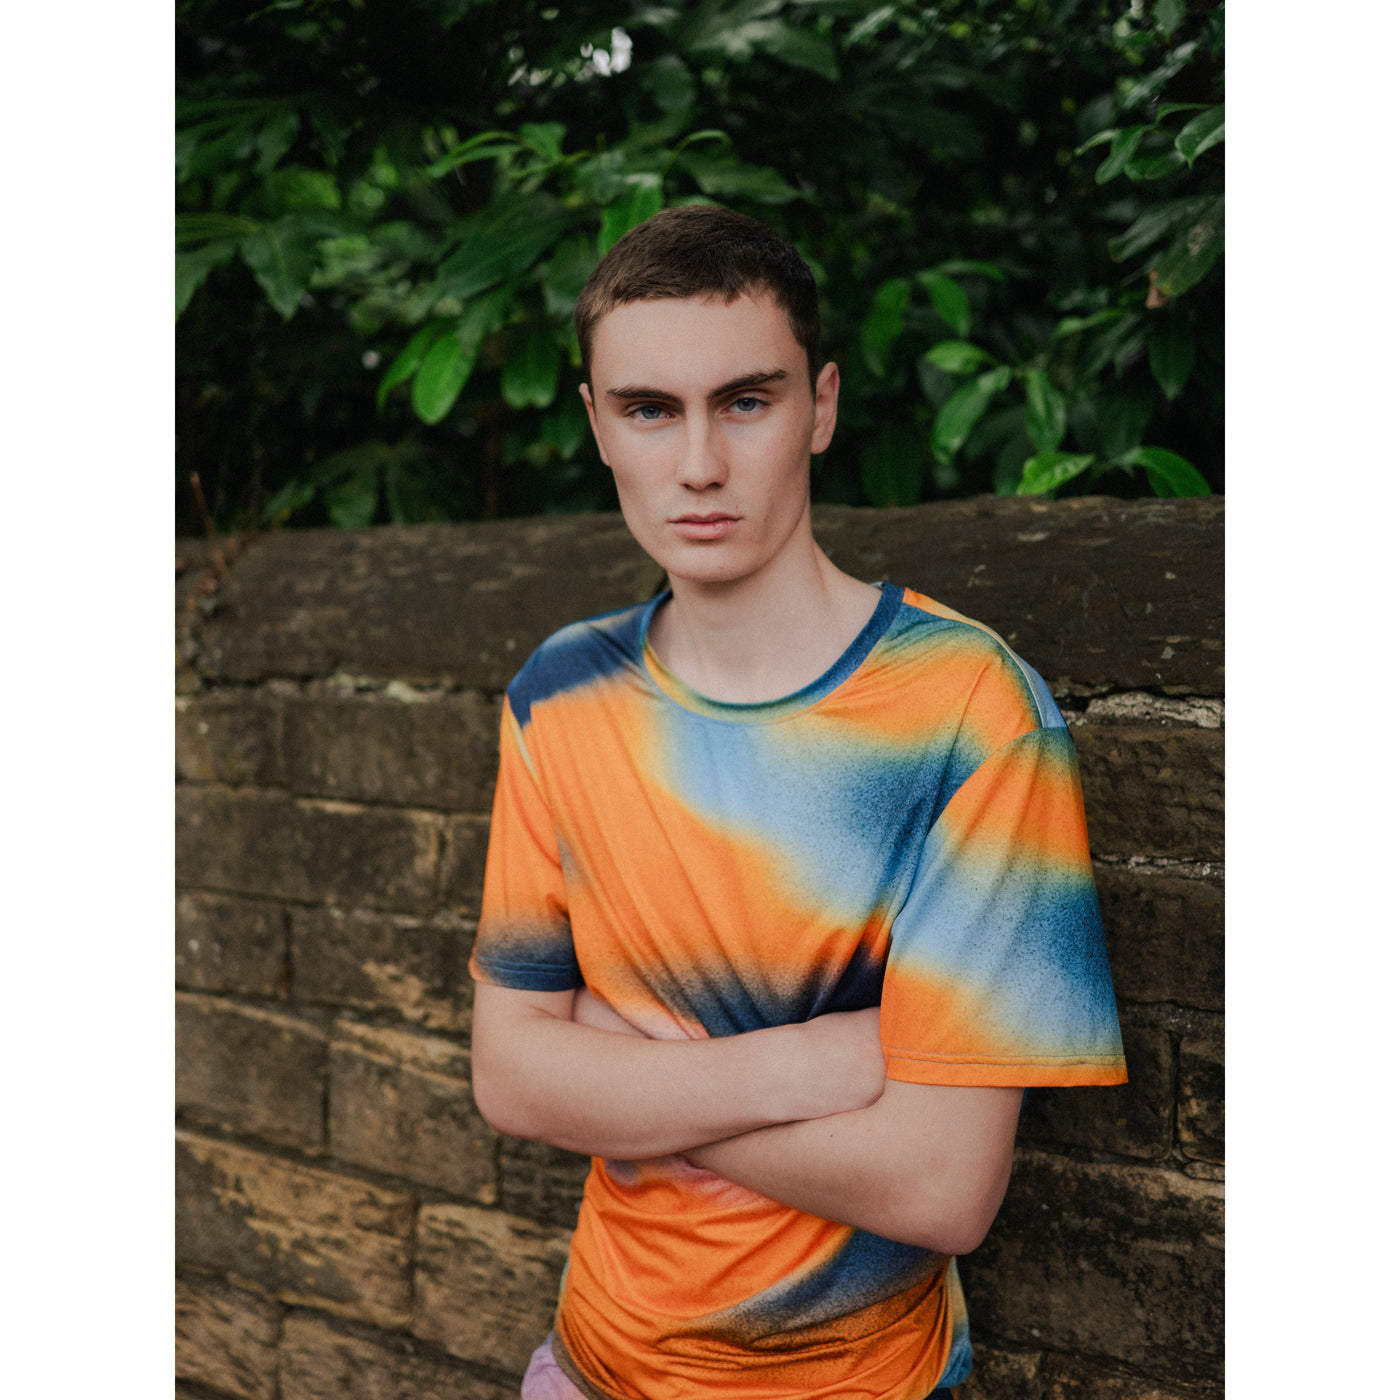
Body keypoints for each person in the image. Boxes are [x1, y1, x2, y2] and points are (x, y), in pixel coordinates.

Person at [469, 204, 1127, 1400]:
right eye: (648, 409)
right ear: (595, 426)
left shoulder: (967, 708)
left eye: (746, 400)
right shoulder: (558, 691)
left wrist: (625, 1079)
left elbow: (942, 1187)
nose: (699, 463)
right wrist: (813, 1061)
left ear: (818, 406)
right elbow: (510, 1077)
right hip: (585, 1362)